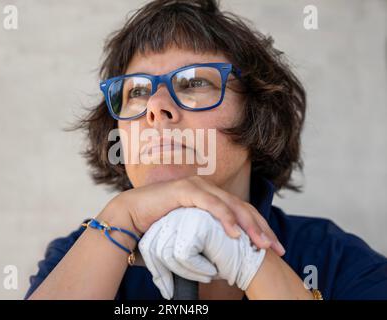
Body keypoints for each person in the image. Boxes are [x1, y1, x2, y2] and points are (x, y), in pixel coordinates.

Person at [25, 0, 387, 300]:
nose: (155, 106)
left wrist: (252, 261)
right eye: (136, 90)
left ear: (257, 114)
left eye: (194, 82)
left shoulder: (337, 260)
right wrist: (121, 218)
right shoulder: (77, 256)